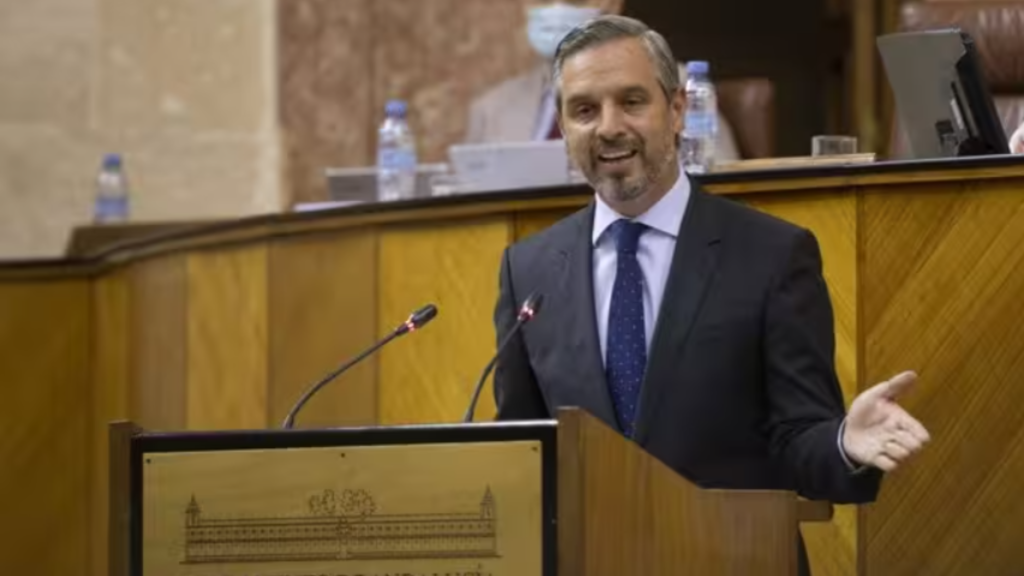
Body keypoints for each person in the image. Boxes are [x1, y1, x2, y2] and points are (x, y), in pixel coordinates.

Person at [491, 15, 930, 574]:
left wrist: (844, 442)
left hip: (734, 559)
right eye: (584, 110)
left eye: (632, 102)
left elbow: (798, 437)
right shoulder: (527, 270)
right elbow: (522, 453)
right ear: (563, 126)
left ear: (677, 110)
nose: (609, 127)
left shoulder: (773, 254)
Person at [464, 2, 741, 163]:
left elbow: (722, 176)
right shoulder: (491, 108)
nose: (556, 8)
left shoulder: (677, 83)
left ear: (612, 4)